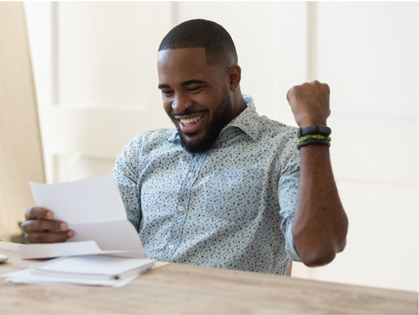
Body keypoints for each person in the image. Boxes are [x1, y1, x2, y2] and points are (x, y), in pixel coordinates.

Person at [22, 19, 348, 275]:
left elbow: (317, 249)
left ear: (232, 78)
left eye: (193, 88)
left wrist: (313, 130)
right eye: (167, 91)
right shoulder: (142, 151)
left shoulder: (285, 148)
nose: (179, 105)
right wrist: (57, 234)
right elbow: (104, 238)